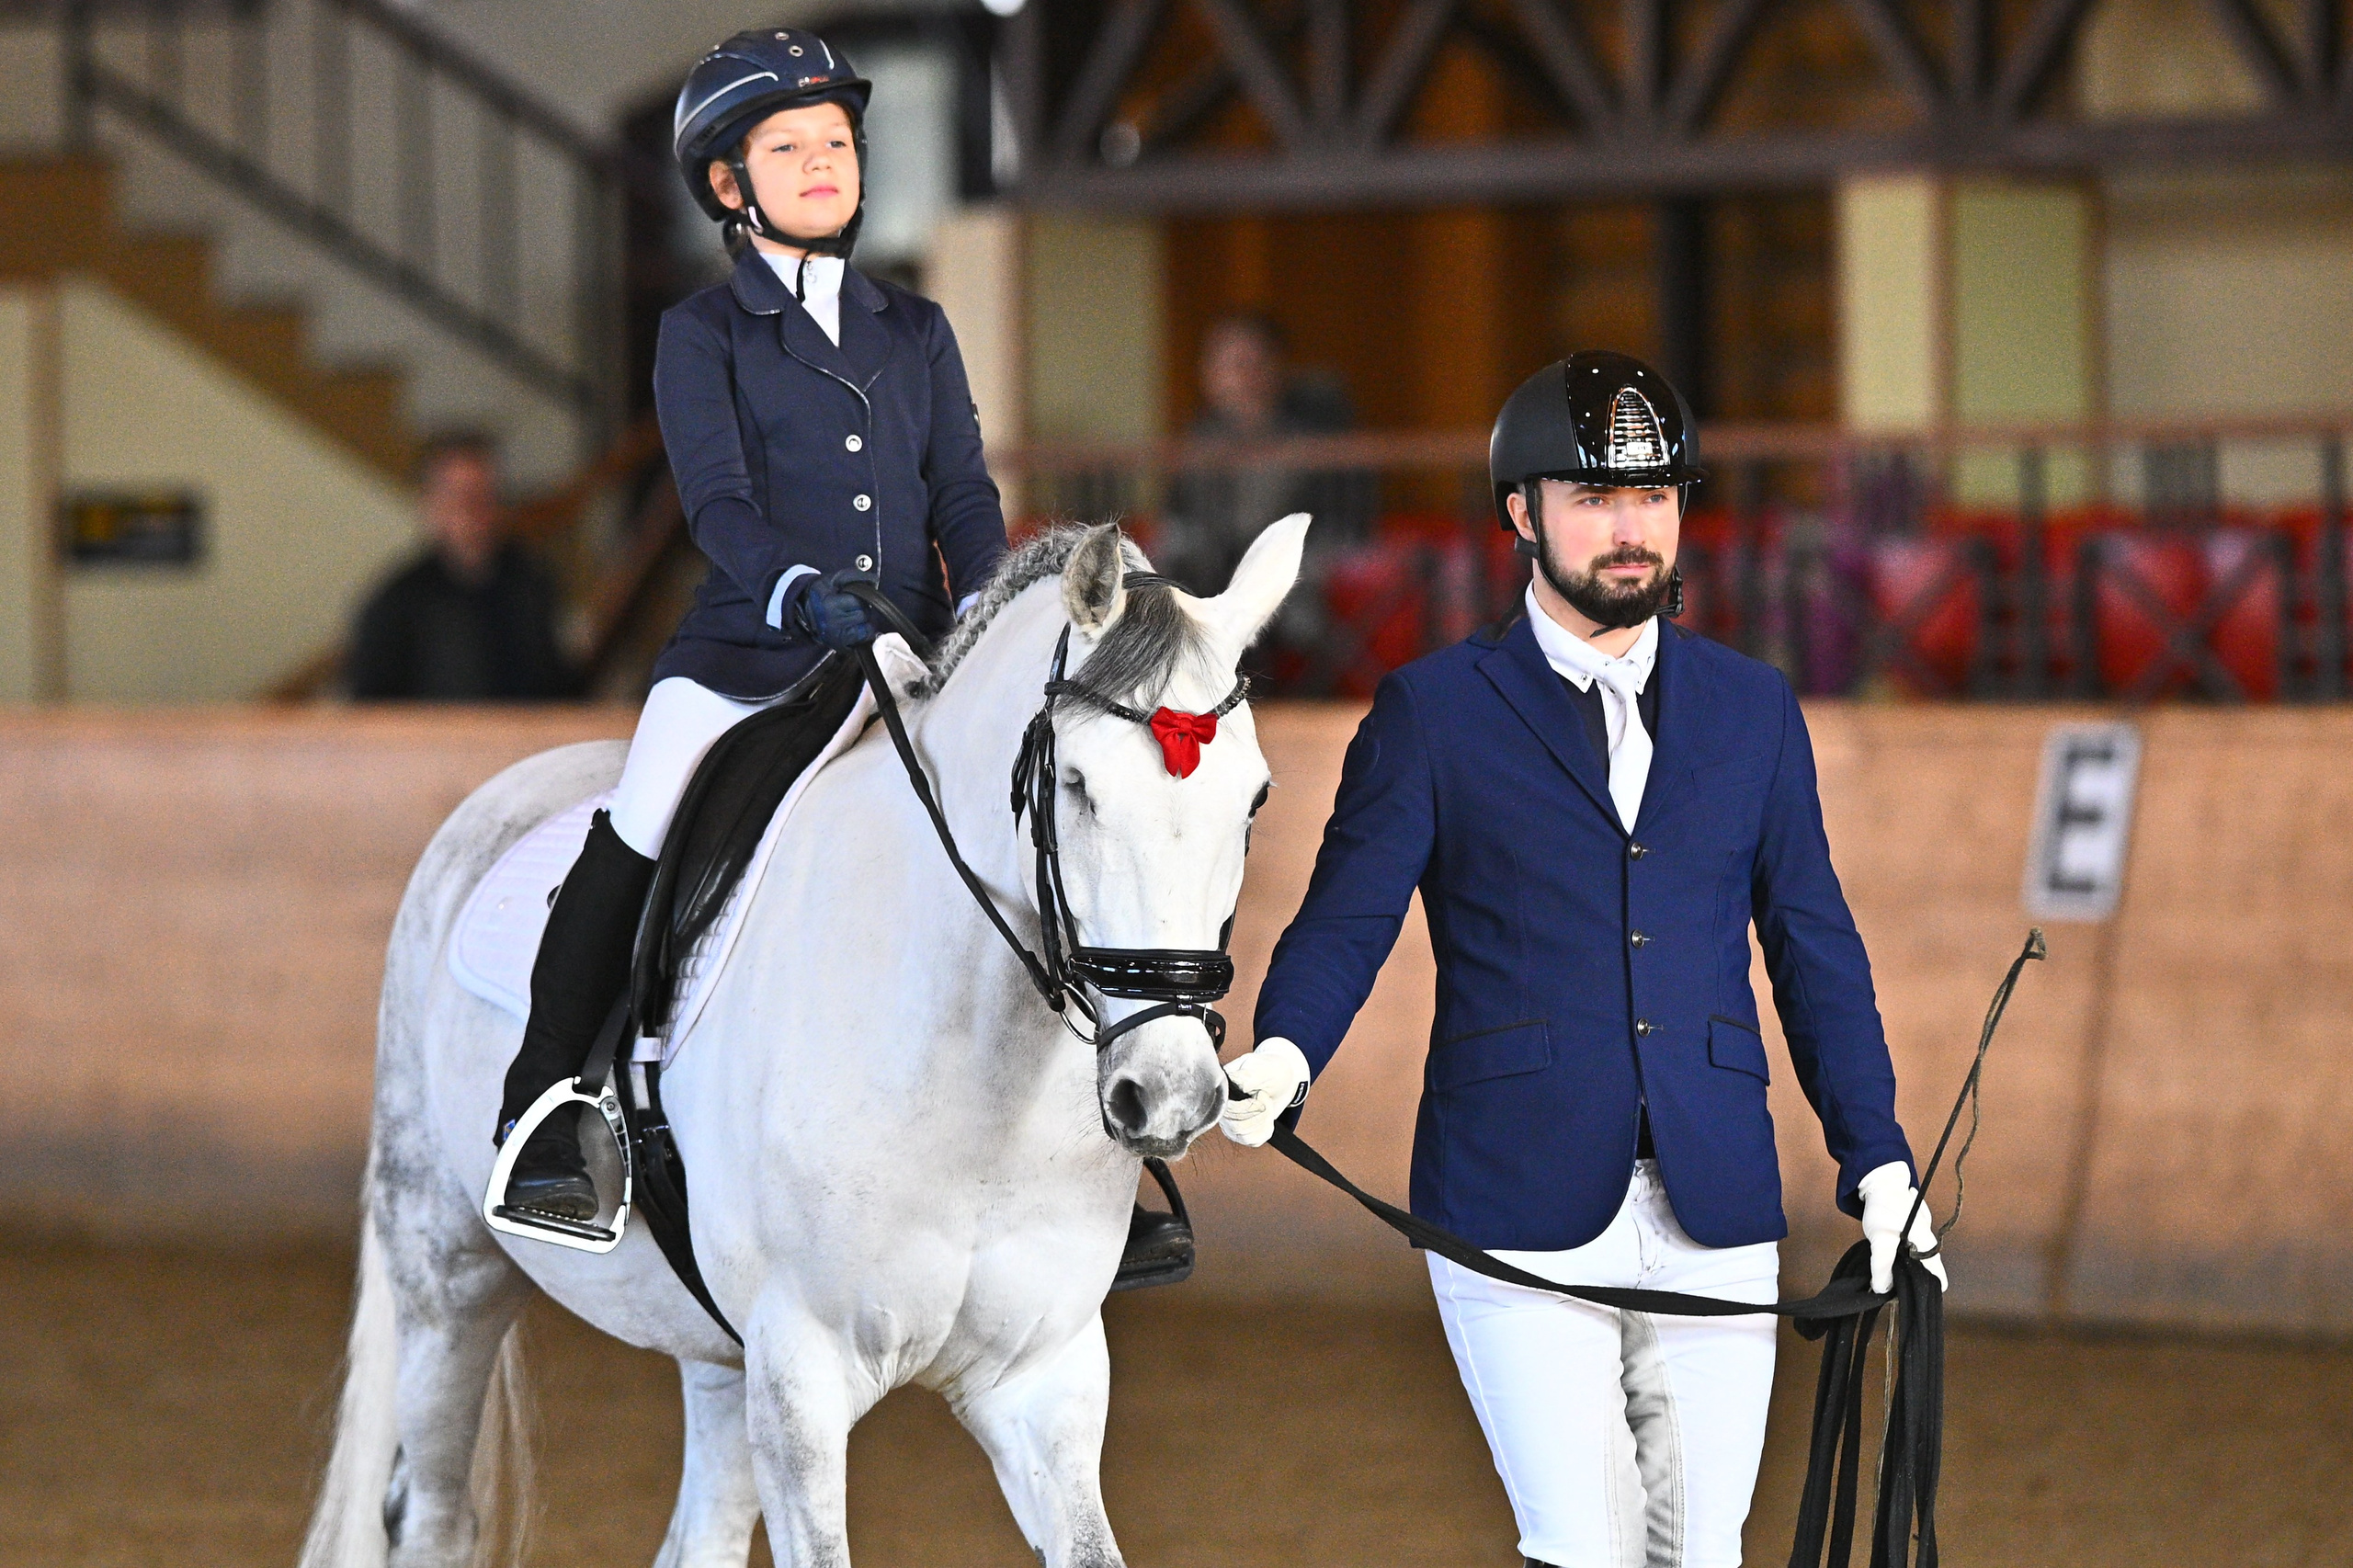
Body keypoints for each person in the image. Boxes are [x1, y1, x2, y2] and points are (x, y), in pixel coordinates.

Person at [1218, 352, 1948, 1568]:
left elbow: (1812, 940)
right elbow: (1350, 915)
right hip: (1514, 1190)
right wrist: (1286, 1049)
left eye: (1655, 497)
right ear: (1522, 513)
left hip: (1715, 1186)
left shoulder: (1754, 707)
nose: (1631, 529)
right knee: (1587, 1544)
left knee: (1701, 1547)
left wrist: (1875, 1152)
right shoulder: (1434, 709)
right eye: (1595, 499)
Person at [491, 28, 1004, 1219]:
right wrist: (798, 592)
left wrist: (984, 612)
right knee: (650, 802)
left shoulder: (915, 329)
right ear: (731, 184)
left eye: (838, 141)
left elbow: (965, 495)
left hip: (906, 651)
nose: (825, 161)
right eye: (791, 145)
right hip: (751, 655)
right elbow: (717, 504)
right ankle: (545, 1104)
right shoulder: (703, 336)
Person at [346, 432, 574, 700]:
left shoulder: (531, 583)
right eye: (457, 495)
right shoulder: (396, 603)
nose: (470, 508)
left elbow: (559, 686)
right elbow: (371, 707)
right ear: (431, 505)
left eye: (482, 494)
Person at [1162, 313, 1370, 596]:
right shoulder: (1198, 442)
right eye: (1229, 364)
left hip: (1298, 582)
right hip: (1211, 584)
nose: (1242, 377)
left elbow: (1344, 525)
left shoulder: (1318, 439)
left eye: (1255, 363)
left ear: (1279, 368)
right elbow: (1180, 524)